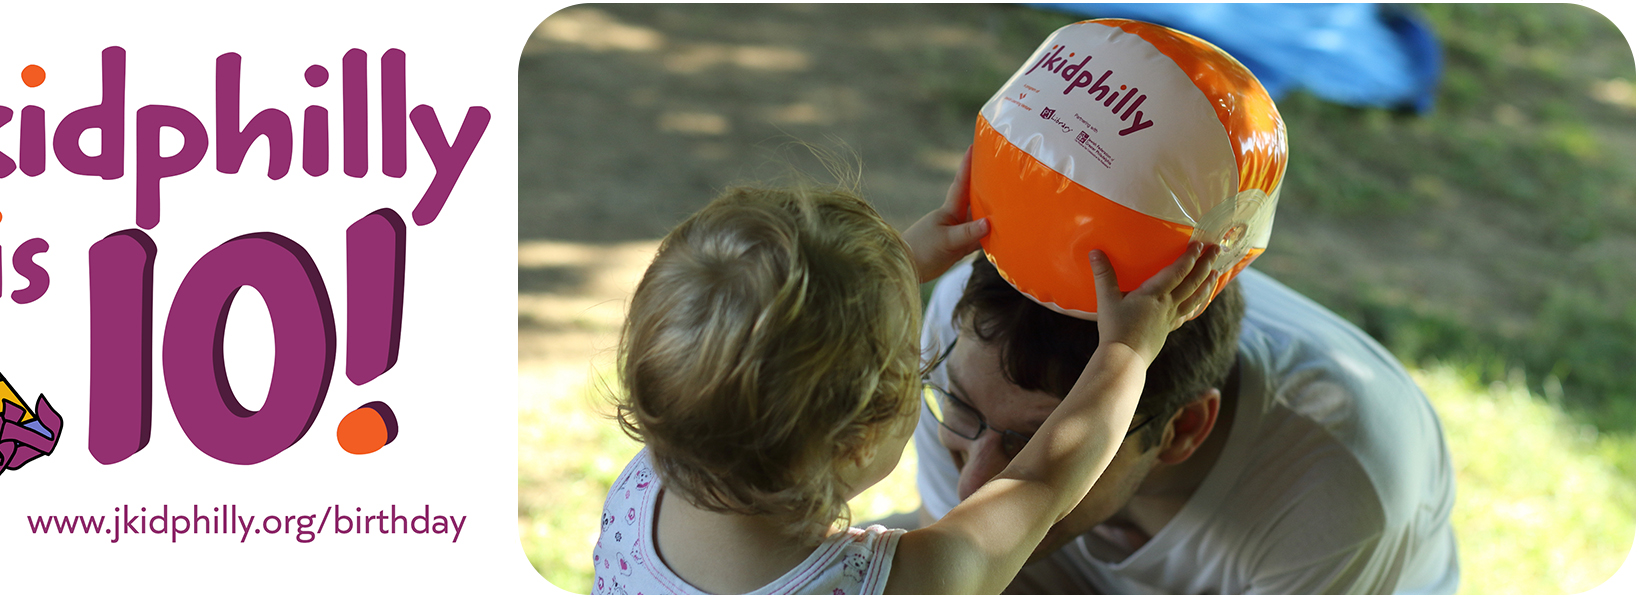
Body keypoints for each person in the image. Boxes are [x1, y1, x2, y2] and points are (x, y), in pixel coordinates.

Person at [591, 165, 1222, 594]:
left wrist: (891, 267)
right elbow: (1040, 481)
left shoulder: (658, 469)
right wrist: (1126, 351)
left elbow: (754, 346)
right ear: (859, 444)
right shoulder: (908, 581)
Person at [907, 245, 1461, 593]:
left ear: (1185, 428)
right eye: (961, 410)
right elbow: (961, 578)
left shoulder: (1335, 483)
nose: (972, 486)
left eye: (1033, 441)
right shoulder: (967, 329)